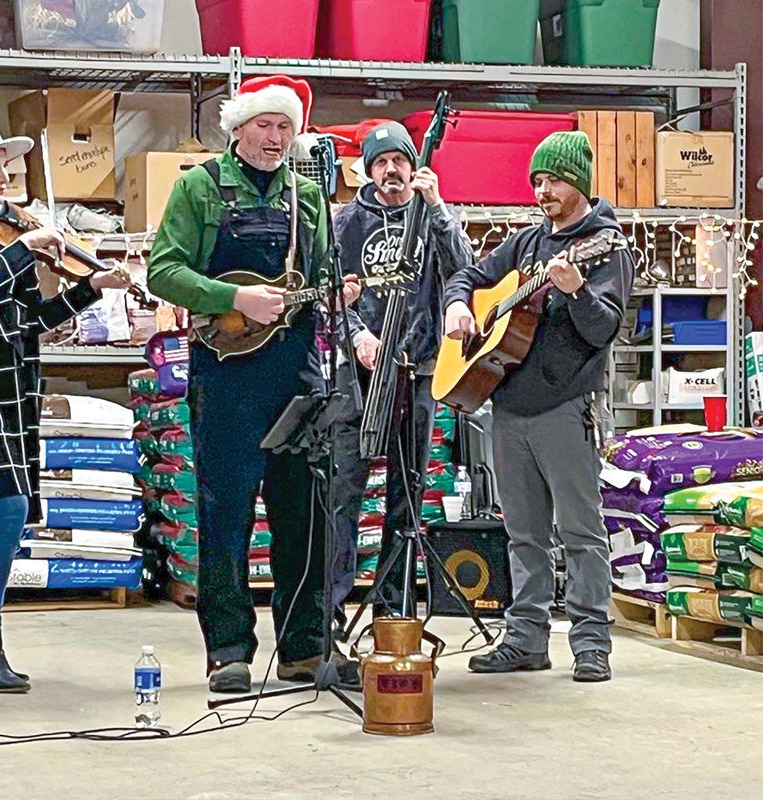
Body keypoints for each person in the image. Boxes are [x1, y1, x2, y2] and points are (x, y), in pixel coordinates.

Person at [148, 75, 362, 693]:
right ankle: (229, 650)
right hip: (227, 375)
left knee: (304, 512)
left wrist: (338, 293)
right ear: (238, 128)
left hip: (296, 370)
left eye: (285, 127)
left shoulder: (309, 197)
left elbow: (323, 273)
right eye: (265, 125)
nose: (275, 138)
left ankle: (304, 647)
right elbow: (164, 268)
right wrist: (233, 295)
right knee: (225, 511)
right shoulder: (200, 188)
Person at [0, 116, 131, 694]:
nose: (5, 177)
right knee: (7, 511)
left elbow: (30, 321)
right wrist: (32, 246)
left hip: (12, 389)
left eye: (6, 166)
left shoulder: (3, 237)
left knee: (0, 517)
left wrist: (92, 288)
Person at [442, 131, 632, 683]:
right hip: (508, 406)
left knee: (580, 531)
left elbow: (603, 330)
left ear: (579, 184)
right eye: (538, 181)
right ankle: (525, 637)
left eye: (553, 180)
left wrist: (575, 290)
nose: (543, 191)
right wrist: (458, 306)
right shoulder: (526, 244)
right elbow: (468, 277)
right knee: (522, 531)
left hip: (564, 407)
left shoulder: (606, 247)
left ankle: (591, 642)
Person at [329, 123, 473, 629]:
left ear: (415, 166)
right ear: (368, 169)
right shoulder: (345, 221)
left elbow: (465, 271)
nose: (392, 170)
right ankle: (329, 609)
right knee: (343, 487)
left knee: (406, 493)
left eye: (400, 160)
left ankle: (394, 610)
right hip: (361, 375)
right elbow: (330, 295)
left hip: (420, 372)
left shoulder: (432, 216)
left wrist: (437, 210)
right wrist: (359, 335)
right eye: (382, 161)